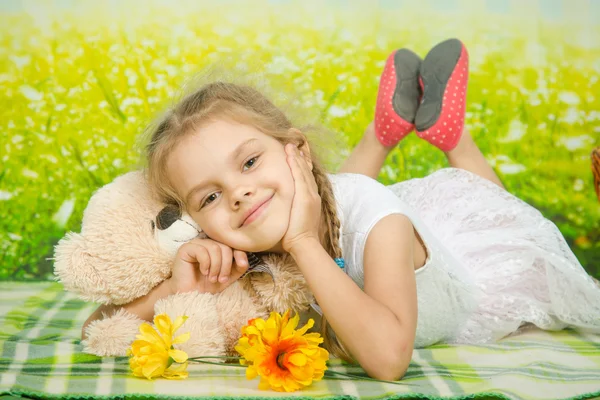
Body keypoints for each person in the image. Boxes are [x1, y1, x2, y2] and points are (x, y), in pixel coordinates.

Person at [83, 38, 600, 381]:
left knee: (498, 214)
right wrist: (175, 287)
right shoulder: (234, 240)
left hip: (470, 276)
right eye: (210, 197)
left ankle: (452, 138)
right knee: (323, 195)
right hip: (335, 204)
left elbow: (389, 358)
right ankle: (385, 131)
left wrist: (303, 244)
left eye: (249, 161)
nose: (237, 194)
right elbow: (97, 328)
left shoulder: (381, 220)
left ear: (296, 150)